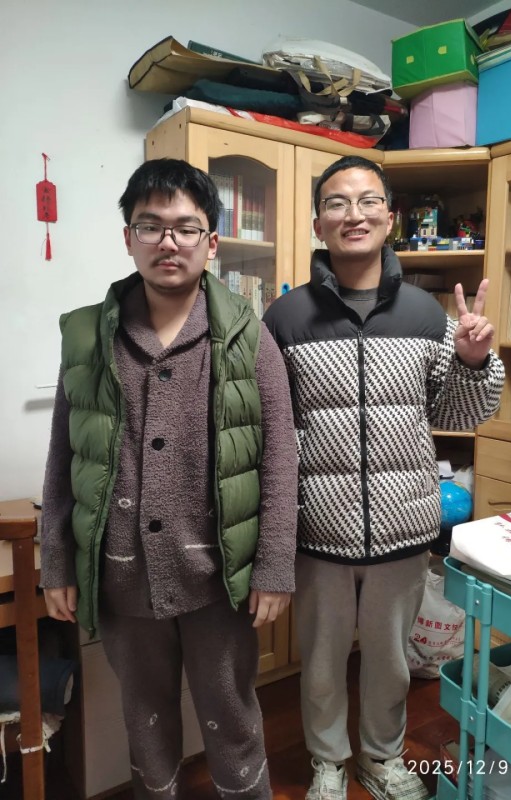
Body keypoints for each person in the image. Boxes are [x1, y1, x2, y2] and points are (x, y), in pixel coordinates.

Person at [40, 158, 298, 800]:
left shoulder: (247, 335)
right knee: (146, 720)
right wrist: (56, 563)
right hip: (122, 577)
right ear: (128, 238)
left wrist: (274, 567)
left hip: (218, 578)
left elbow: (279, 456)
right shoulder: (88, 338)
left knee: (231, 718)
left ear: (212, 242)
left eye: (186, 227)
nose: (168, 242)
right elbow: (64, 458)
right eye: (150, 226)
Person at [263, 155, 504, 800]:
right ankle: (327, 762)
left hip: (403, 524)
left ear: (390, 218)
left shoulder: (426, 314)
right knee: (320, 661)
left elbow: (459, 414)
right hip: (319, 527)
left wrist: (473, 361)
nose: (354, 214)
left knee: (392, 660)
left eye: (368, 201)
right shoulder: (285, 318)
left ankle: (382, 756)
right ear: (318, 222)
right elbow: (268, 429)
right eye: (337, 202)